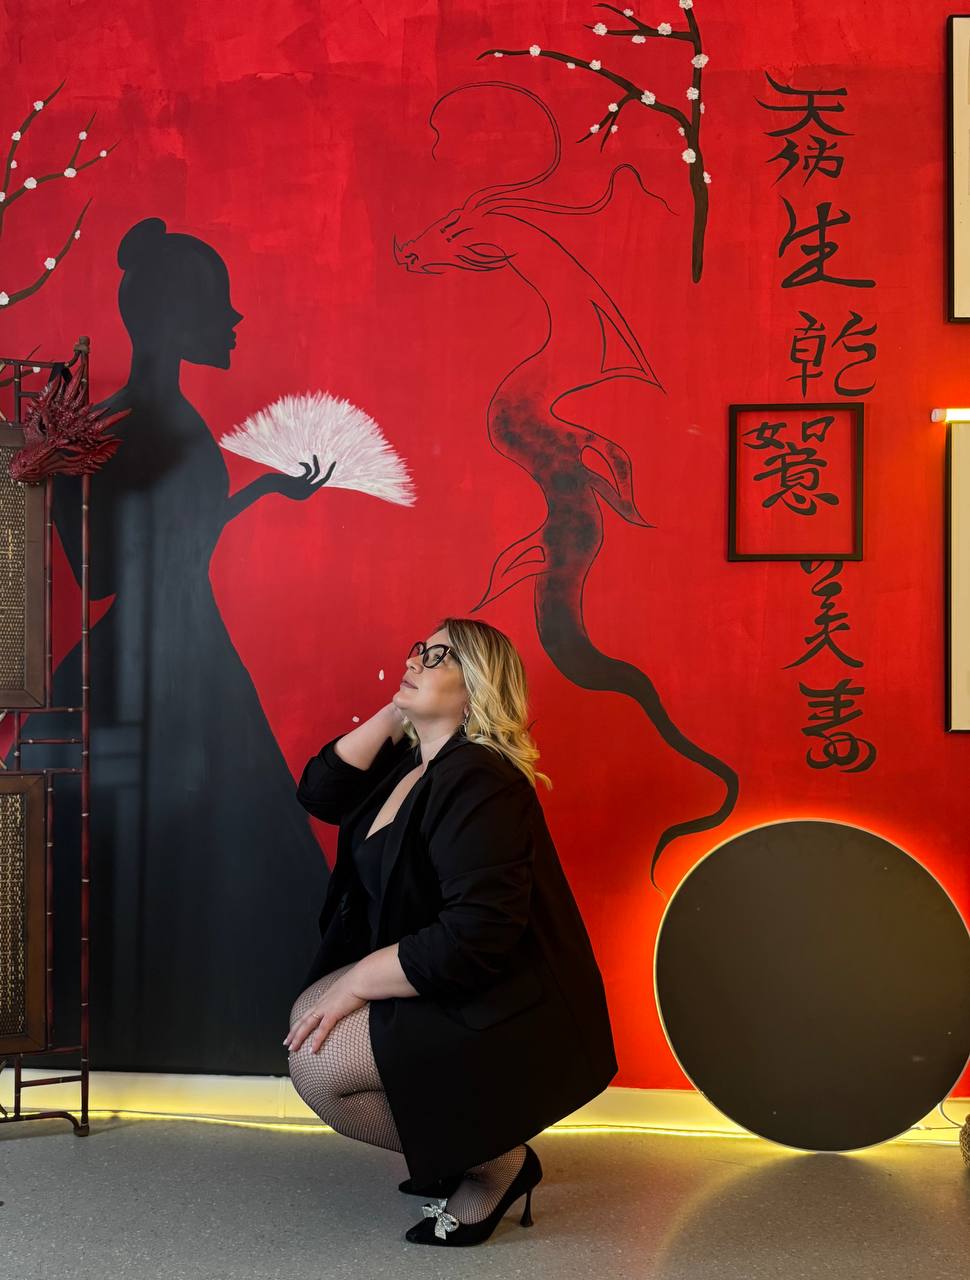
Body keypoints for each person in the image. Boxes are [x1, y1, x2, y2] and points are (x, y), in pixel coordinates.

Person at [286, 616, 617, 1246]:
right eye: (419, 648)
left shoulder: (482, 778)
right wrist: (399, 709)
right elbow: (320, 793)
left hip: (498, 994)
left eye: (438, 656)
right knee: (308, 1023)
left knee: (320, 1066)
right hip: (443, 970)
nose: (415, 659)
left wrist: (357, 981)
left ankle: (498, 1164)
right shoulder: (413, 761)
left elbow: (476, 935)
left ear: (476, 686)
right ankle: (461, 1150)